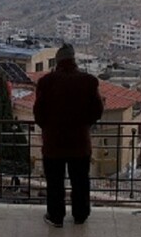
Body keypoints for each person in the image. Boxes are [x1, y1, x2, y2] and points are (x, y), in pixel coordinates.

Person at [33, 43, 103, 227]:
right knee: (80, 180)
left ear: (57, 61)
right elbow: (97, 110)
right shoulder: (89, 81)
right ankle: (80, 215)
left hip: (53, 143)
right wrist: (83, 124)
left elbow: (38, 113)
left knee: (55, 182)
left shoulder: (46, 82)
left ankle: (56, 217)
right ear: (74, 60)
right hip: (79, 141)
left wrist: (49, 128)